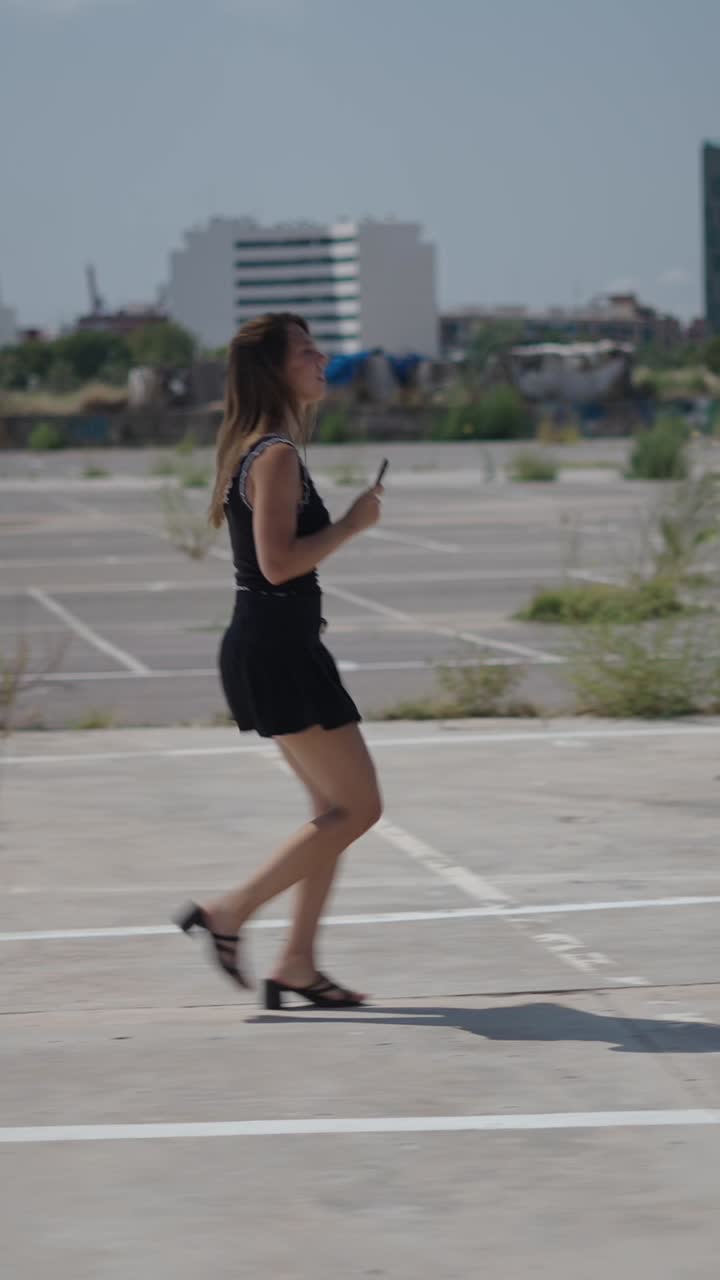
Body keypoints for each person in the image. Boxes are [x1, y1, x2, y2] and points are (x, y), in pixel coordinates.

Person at [175, 313, 384, 1010]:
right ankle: (229, 913)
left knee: (331, 809)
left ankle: (296, 963)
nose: (322, 358)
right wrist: (351, 525)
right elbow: (277, 564)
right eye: (306, 351)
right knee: (359, 808)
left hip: (279, 647)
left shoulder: (264, 448)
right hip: (275, 651)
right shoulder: (274, 455)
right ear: (275, 369)